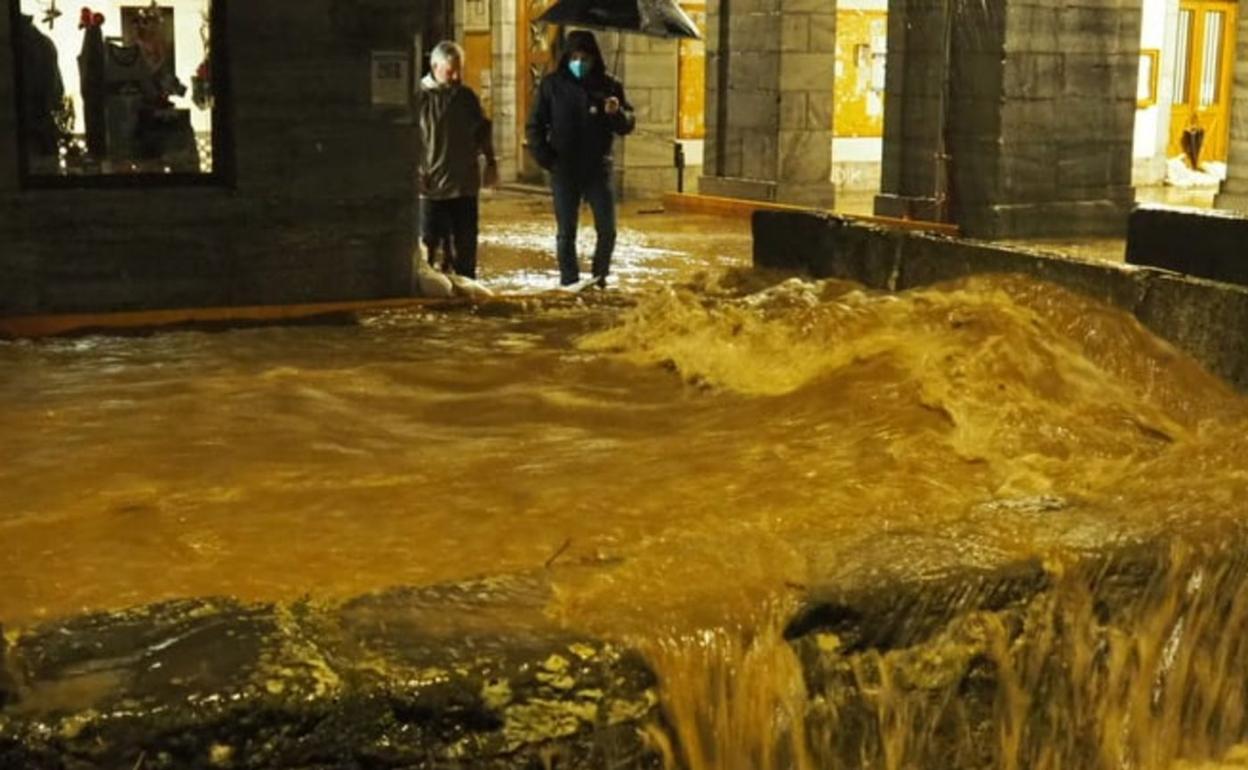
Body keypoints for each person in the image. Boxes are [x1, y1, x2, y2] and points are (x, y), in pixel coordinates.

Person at [525, 30, 635, 288]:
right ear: (567, 57)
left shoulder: (609, 86)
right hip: (564, 168)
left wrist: (616, 113)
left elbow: (627, 125)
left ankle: (599, 277)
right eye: (575, 57)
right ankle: (569, 281)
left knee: (607, 230)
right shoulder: (552, 85)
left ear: (594, 58)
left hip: (598, 168)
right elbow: (534, 126)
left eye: (585, 58)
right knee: (566, 232)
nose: (580, 62)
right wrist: (547, 159)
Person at [417, 40, 497, 280]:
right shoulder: (419, 97)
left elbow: (481, 131)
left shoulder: (466, 97)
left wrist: (490, 161)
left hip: (464, 186)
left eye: (459, 70)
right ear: (435, 67)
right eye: (450, 71)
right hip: (431, 187)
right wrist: (415, 171)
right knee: (429, 245)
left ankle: (465, 288)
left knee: (466, 246)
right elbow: (408, 138)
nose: (456, 77)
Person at [18, 13, 64, 173]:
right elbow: (57, 91)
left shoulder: (21, 46)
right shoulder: (45, 43)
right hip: (43, 127)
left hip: (29, 127)